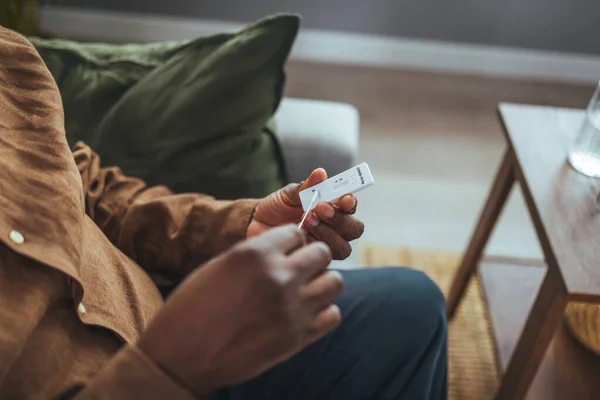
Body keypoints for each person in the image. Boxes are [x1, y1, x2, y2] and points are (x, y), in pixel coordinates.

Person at [0, 26, 448, 400]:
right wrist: (168, 366)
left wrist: (237, 226)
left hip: (164, 312)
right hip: (147, 379)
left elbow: (90, 188)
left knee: (412, 305)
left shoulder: (8, 60)